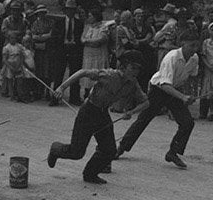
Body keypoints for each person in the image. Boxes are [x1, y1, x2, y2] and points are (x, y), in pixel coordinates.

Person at [48, 50, 149, 185]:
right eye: (133, 68)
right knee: (76, 152)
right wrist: (61, 87)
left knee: (109, 150)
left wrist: (131, 112)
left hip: (102, 114)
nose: (135, 72)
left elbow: (146, 103)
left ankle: (90, 174)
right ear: (123, 67)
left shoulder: (133, 84)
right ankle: (55, 149)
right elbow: (83, 72)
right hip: (88, 111)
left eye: (138, 69)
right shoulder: (109, 75)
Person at [116, 32, 200, 169]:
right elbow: (164, 85)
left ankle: (173, 152)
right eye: (192, 45)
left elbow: (192, 77)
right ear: (182, 43)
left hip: (175, 90)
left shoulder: (194, 58)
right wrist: (183, 97)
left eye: (197, 46)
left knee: (187, 123)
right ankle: (121, 148)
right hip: (159, 90)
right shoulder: (172, 57)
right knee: (143, 120)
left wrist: (190, 94)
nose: (195, 49)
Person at [59, 0, 85, 105]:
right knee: (59, 73)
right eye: (68, 10)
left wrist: (75, 43)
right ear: (65, 11)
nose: (70, 12)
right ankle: (56, 96)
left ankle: (74, 97)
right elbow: (55, 37)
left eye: (72, 10)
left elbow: (81, 38)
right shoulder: (59, 22)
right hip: (62, 49)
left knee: (74, 73)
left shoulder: (79, 23)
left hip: (74, 50)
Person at [80, 9, 110, 93]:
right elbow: (82, 39)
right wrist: (88, 41)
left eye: (90, 16)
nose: (88, 18)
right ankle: (87, 93)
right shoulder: (87, 27)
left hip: (99, 56)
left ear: (95, 17)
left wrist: (88, 41)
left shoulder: (103, 27)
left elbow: (101, 39)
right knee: (88, 74)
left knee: (98, 74)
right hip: (88, 56)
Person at [28, 5, 53, 99]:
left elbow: (51, 34)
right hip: (38, 49)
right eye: (40, 13)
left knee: (47, 71)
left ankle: (47, 91)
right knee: (38, 70)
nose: (41, 14)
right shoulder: (35, 23)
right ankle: (38, 91)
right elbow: (33, 36)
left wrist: (41, 36)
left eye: (43, 12)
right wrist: (42, 37)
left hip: (48, 49)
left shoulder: (50, 22)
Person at [0, 29, 29, 101]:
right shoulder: (6, 47)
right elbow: (4, 59)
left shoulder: (19, 46)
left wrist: (20, 64)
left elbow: (22, 56)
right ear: (9, 38)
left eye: (15, 38)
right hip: (10, 65)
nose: (13, 39)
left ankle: (20, 95)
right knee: (10, 81)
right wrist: (10, 67)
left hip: (18, 65)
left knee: (19, 81)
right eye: (12, 38)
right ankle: (11, 94)